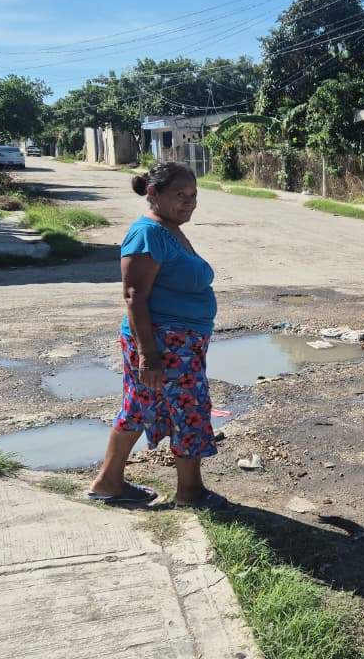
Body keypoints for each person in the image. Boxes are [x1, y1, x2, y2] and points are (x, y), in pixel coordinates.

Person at [86, 161, 228, 509]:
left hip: (175, 342)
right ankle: (190, 492)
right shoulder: (147, 232)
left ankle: (108, 482)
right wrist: (148, 355)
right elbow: (134, 297)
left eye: (194, 195)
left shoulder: (169, 228)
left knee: (139, 407)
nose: (190, 202)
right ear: (153, 193)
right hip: (163, 344)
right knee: (190, 410)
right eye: (180, 195)